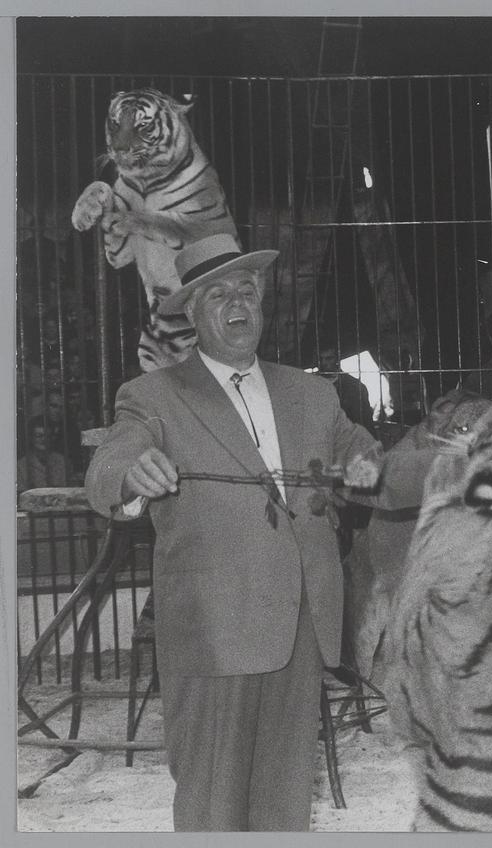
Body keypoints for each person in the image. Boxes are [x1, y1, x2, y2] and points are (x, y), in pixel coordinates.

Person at [83, 233, 447, 832]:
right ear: (191, 312)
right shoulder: (154, 395)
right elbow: (110, 463)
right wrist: (130, 473)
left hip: (299, 627)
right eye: (218, 294)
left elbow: (374, 475)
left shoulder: (312, 395)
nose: (238, 303)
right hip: (213, 633)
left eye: (247, 291)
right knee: (213, 807)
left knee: (283, 809)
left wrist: (463, 468)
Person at [318, 344, 374, 431]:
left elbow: (365, 423)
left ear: (337, 359)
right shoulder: (311, 385)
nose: (323, 363)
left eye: (329, 358)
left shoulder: (355, 387)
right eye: (320, 359)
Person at [17, 418, 69, 491]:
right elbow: (22, 494)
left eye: (48, 436)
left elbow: (68, 489)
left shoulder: (62, 460)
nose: (44, 439)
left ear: (52, 438)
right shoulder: (21, 465)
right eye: (39, 436)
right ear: (31, 438)